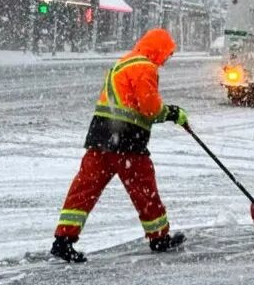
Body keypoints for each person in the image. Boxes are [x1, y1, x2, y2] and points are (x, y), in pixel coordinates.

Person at [51, 27, 188, 263]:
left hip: (100, 137)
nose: (167, 59)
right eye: (168, 53)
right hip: (127, 140)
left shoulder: (123, 62)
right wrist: (173, 113)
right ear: (158, 49)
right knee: (144, 190)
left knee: (84, 189)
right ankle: (159, 237)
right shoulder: (145, 67)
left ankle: (63, 240)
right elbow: (150, 109)